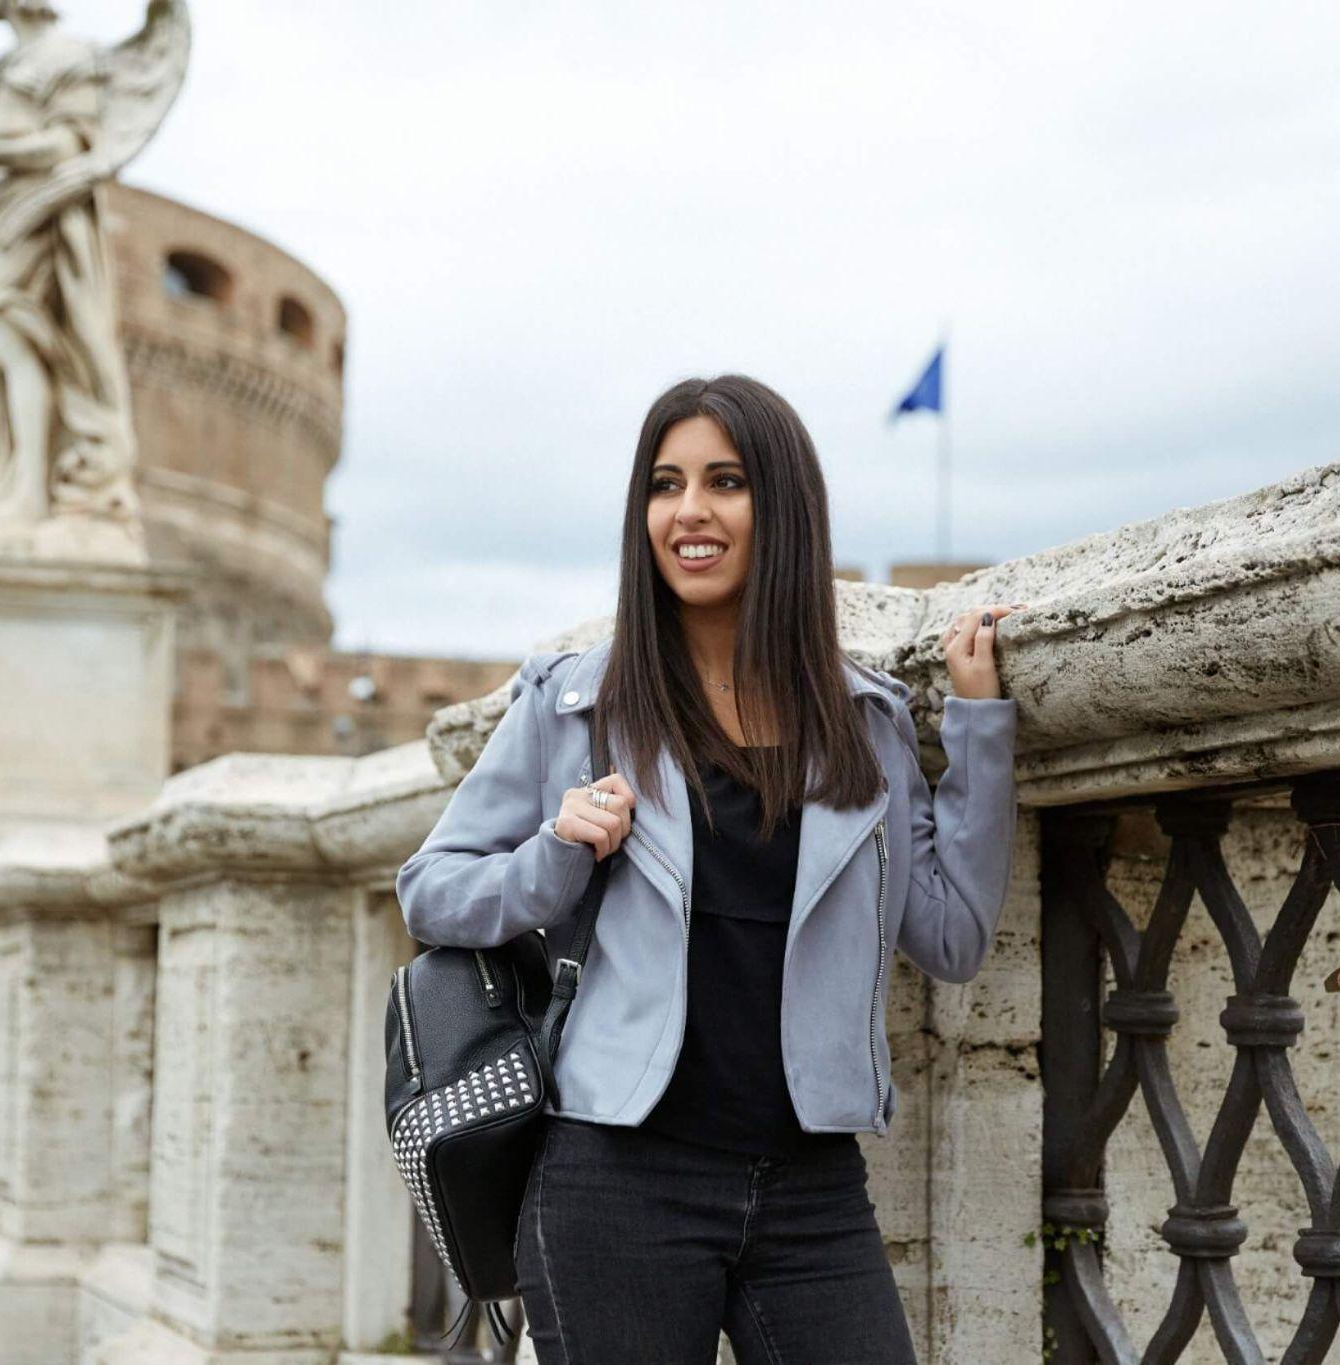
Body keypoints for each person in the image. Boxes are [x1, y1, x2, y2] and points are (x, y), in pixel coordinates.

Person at [395, 374, 1023, 1363]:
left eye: (724, 482)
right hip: (613, 1180)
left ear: (781, 509)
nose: (688, 512)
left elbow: (948, 937)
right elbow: (428, 891)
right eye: (663, 484)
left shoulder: (864, 720)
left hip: (812, 1187)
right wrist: (552, 856)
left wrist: (982, 731)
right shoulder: (574, 705)